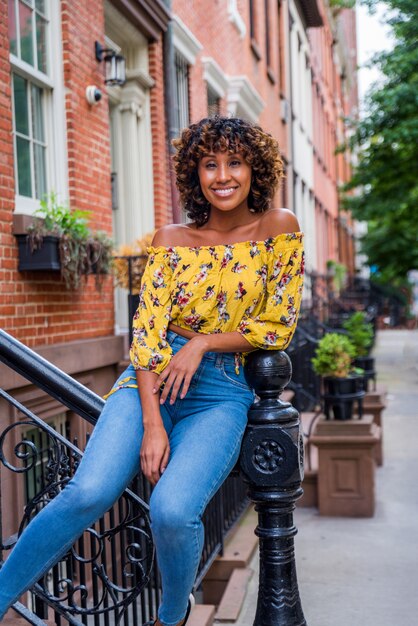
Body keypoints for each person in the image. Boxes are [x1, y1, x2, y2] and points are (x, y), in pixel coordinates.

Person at [0, 116, 304, 626]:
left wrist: (204, 341)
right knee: (90, 491)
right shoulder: (171, 237)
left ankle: (170, 615)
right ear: (195, 173)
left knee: (171, 510)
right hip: (151, 381)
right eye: (210, 164)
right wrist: (154, 423)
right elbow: (146, 334)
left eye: (235, 163)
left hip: (221, 390)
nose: (222, 175)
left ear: (255, 170)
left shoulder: (279, 227)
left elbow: (278, 325)